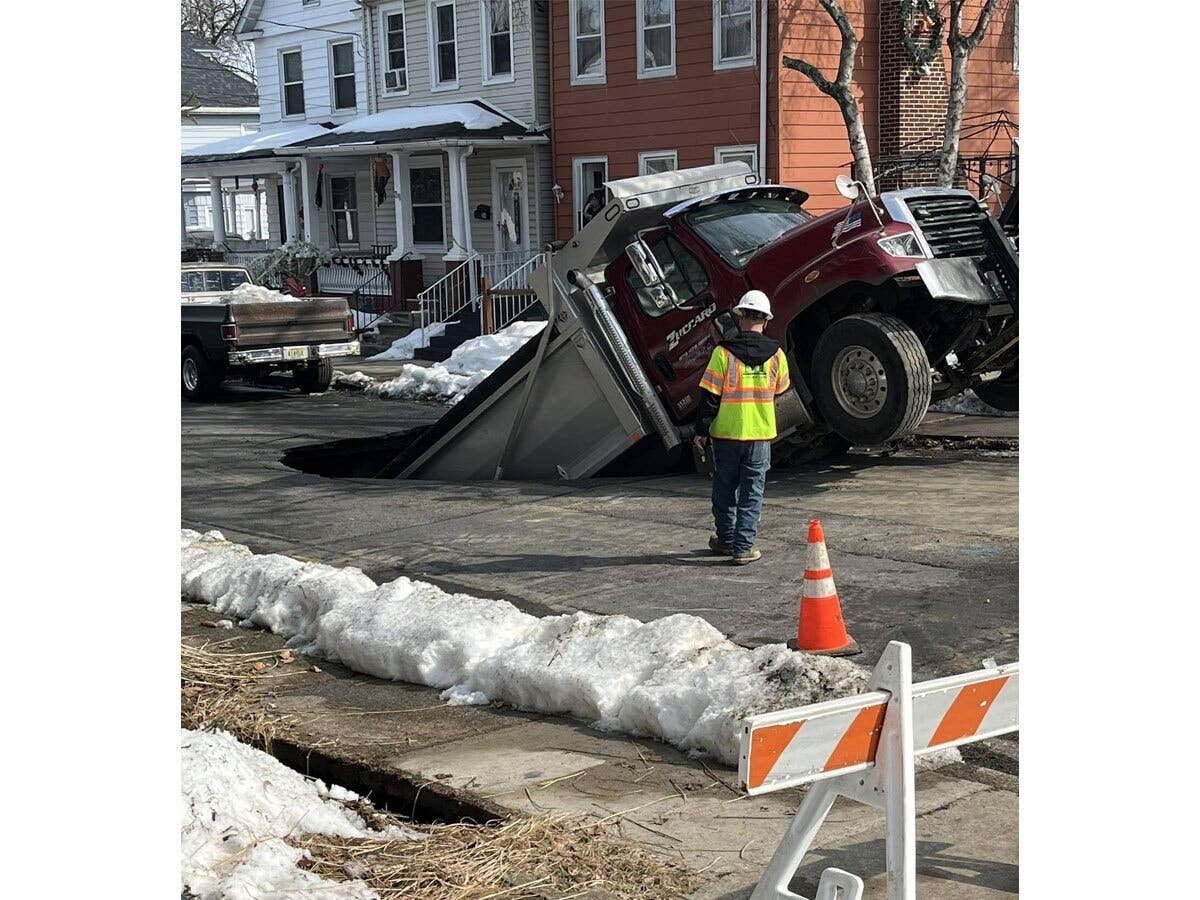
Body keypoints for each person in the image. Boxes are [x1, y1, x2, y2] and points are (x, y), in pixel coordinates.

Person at [693, 290, 791, 566]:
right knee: (752, 492)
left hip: (726, 434)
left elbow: (709, 397)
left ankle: (725, 539)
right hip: (759, 436)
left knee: (724, 488)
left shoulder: (722, 353)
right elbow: (782, 388)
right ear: (766, 321)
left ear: (740, 318)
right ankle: (743, 548)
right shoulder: (777, 356)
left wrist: (701, 431)